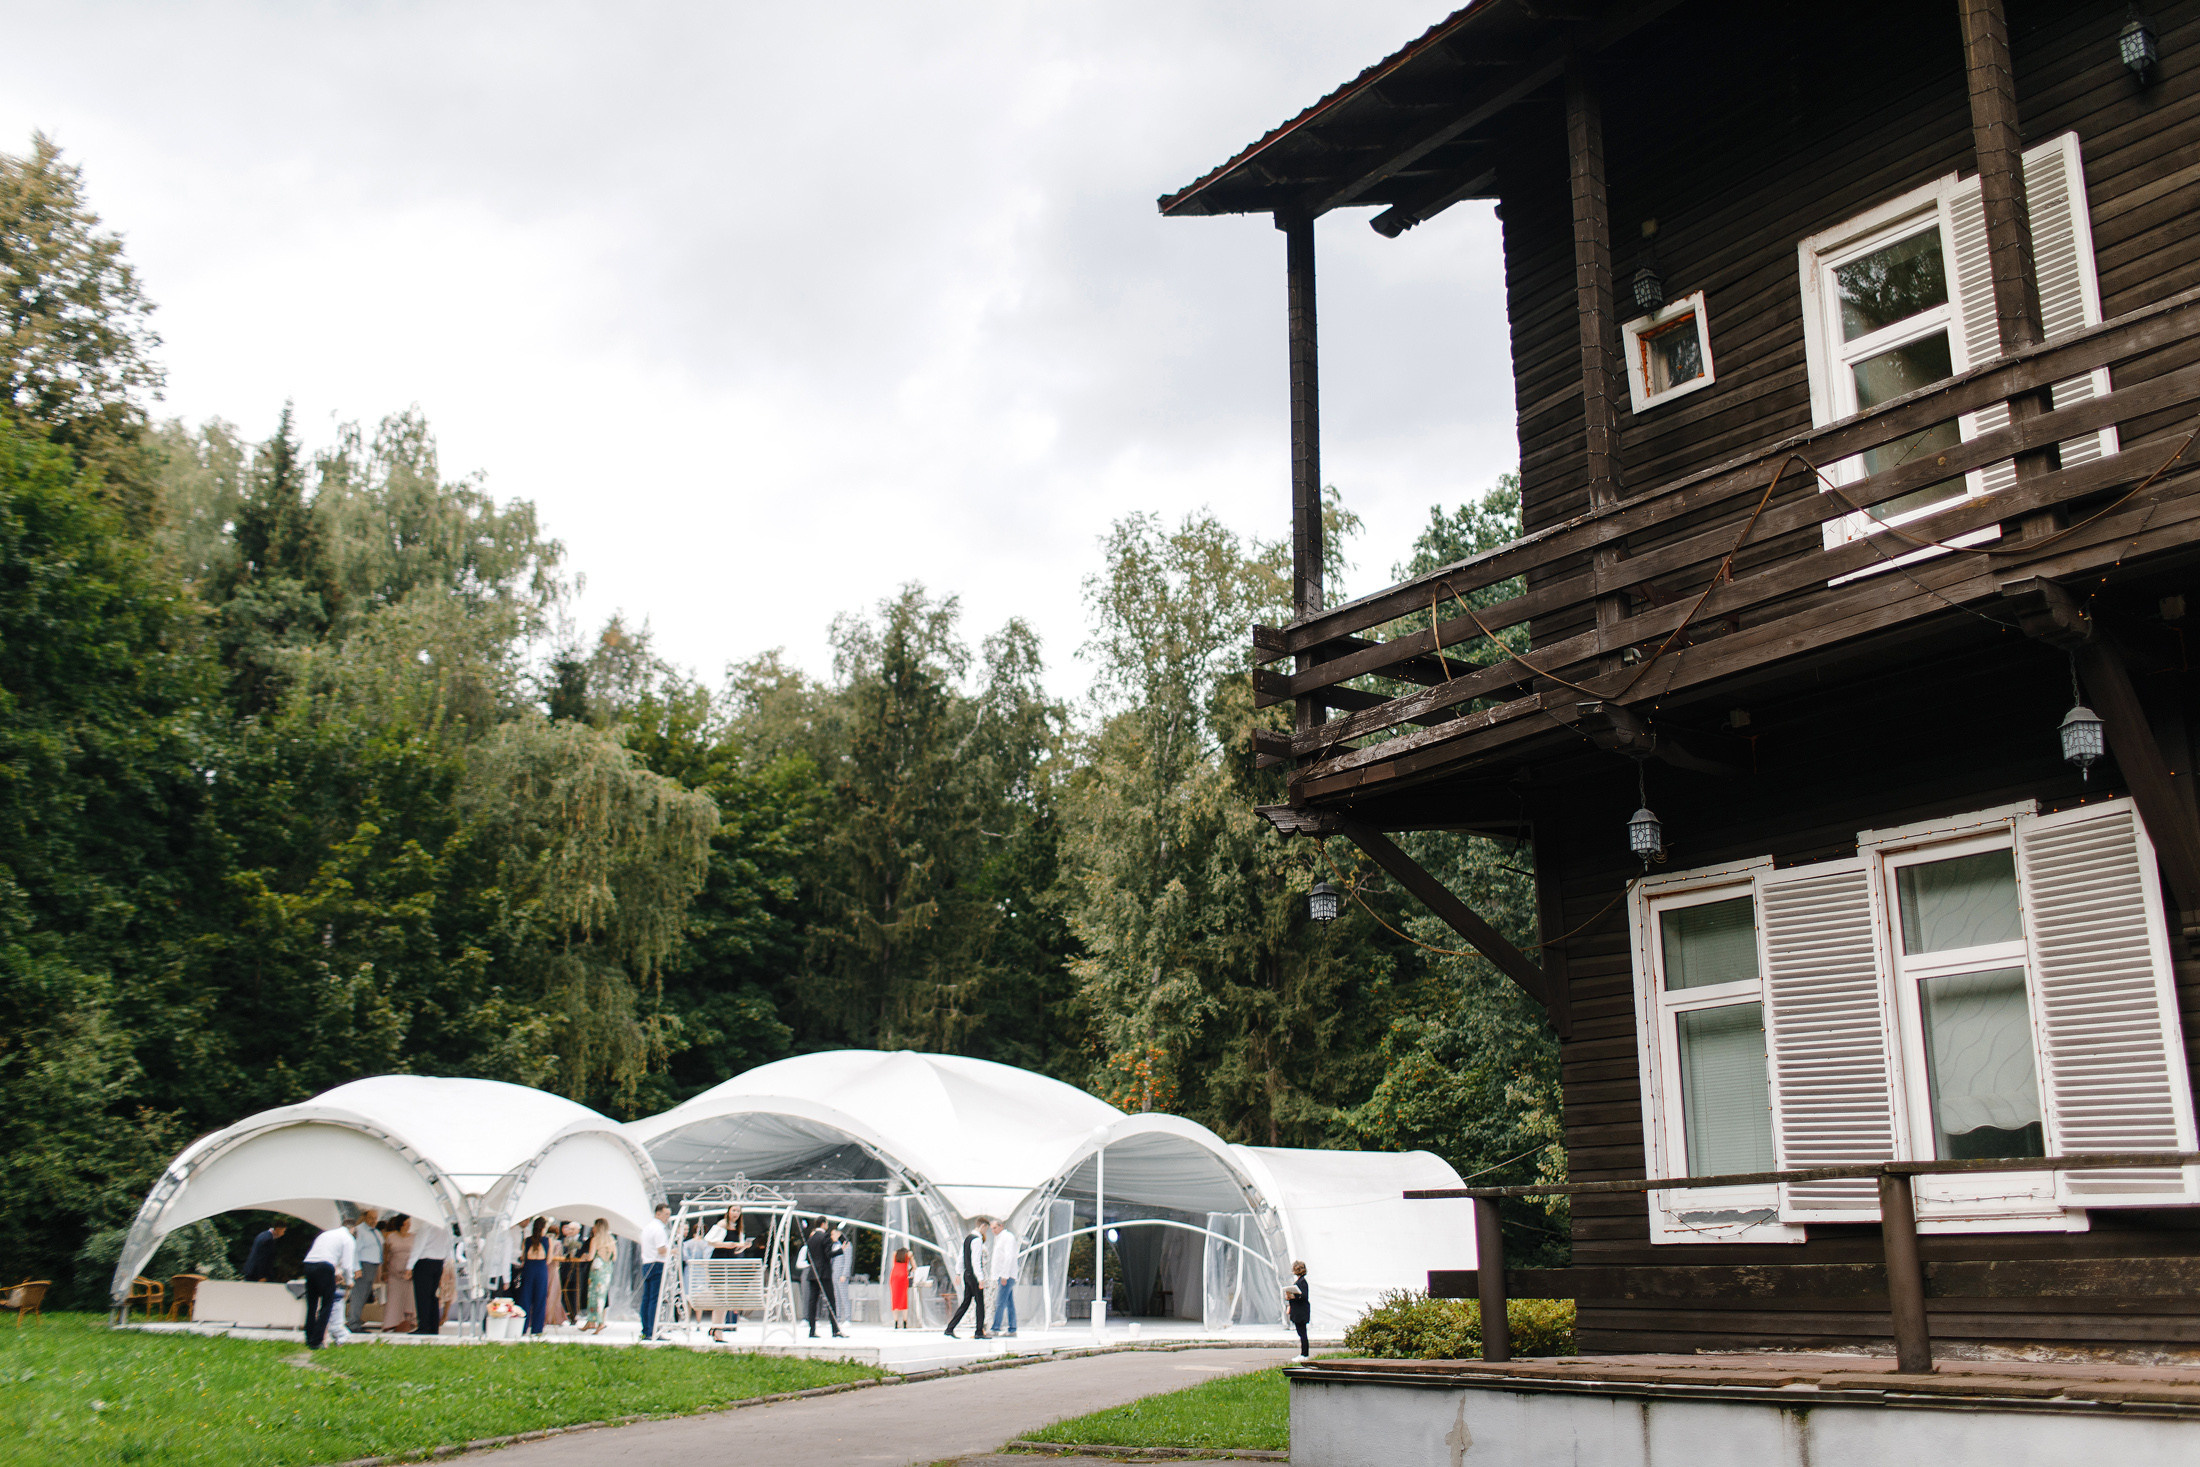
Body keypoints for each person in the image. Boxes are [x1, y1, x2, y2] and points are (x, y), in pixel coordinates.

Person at [300, 1223, 357, 1350]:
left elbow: (323, 1253)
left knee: (312, 1304)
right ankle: (317, 1340)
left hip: (309, 1263)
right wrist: (349, 1281)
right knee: (327, 1304)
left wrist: (335, 1272)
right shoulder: (348, 1238)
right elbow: (347, 1265)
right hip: (325, 1267)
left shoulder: (326, 1234)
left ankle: (309, 1337)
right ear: (352, 1230)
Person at [703, 1205, 752, 1341]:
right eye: (734, 1210)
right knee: (720, 1296)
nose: (736, 1213)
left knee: (724, 1297)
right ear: (729, 1211)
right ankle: (717, 1329)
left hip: (729, 1262)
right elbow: (710, 1241)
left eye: (738, 1211)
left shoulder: (738, 1227)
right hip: (719, 1262)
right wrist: (726, 1244)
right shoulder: (722, 1224)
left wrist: (743, 1246)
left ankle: (717, 1328)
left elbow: (736, 1251)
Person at [942, 1220, 989, 1340]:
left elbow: (961, 1257)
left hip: (966, 1274)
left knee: (966, 1302)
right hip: (974, 1275)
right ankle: (979, 1331)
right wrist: (980, 1278)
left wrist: (958, 1272)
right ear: (983, 1226)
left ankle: (950, 1328)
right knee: (979, 1303)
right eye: (986, 1228)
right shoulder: (977, 1240)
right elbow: (976, 1260)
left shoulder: (967, 1238)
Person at [409, 1217, 452, 1336]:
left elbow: (419, 1246)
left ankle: (424, 1326)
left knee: (423, 1296)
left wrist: (409, 1266)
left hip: (424, 1261)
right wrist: (445, 1262)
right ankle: (433, 1326)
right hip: (438, 1262)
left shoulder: (426, 1225)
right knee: (434, 1297)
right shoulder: (445, 1227)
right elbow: (449, 1245)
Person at [803, 1218, 844, 1339]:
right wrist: (841, 1250)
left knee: (813, 1302)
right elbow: (828, 1254)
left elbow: (808, 1257)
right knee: (831, 1300)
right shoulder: (825, 1237)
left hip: (813, 1273)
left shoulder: (811, 1238)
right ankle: (835, 1330)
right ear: (823, 1223)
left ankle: (812, 1330)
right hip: (824, 1273)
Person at [639, 1203, 672, 1341]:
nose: (667, 1218)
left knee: (647, 1299)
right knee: (654, 1299)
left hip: (647, 1263)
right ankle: (652, 1330)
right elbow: (661, 1250)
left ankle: (646, 1329)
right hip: (657, 1263)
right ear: (658, 1213)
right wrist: (673, 1251)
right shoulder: (659, 1229)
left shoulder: (647, 1227)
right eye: (666, 1215)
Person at [345, 1209, 381, 1333]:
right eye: (371, 1218)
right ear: (365, 1217)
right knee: (359, 1294)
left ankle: (356, 1319)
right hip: (364, 1264)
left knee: (365, 1295)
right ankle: (353, 1323)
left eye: (375, 1218)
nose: (373, 1221)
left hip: (372, 1265)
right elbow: (355, 1250)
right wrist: (357, 1268)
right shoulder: (361, 1230)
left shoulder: (375, 1231)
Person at [518, 1219, 552, 1336]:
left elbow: (522, 1257)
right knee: (540, 1299)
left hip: (528, 1268)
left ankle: (522, 1327)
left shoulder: (527, 1241)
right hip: (541, 1269)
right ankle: (537, 1329)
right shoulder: (547, 1241)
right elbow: (549, 1259)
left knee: (525, 1298)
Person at [382, 1216, 416, 1332]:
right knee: (394, 1298)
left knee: (408, 1298)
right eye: (407, 1223)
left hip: (408, 1274)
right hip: (394, 1273)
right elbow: (386, 1255)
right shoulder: (391, 1237)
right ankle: (390, 1323)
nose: (409, 1225)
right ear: (401, 1224)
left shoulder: (413, 1237)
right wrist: (384, 1271)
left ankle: (407, 1322)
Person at [583, 1218, 616, 1333]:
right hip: (607, 1269)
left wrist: (585, 1257)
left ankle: (595, 1321)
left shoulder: (595, 1240)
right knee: (602, 1295)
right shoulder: (611, 1239)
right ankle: (599, 1321)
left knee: (593, 1295)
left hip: (597, 1269)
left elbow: (591, 1256)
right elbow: (615, 1257)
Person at [988, 1219, 1020, 1337]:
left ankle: (995, 1327)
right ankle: (1012, 1328)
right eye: (991, 1228)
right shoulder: (1000, 1238)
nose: (993, 1231)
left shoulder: (1007, 1237)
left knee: (1000, 1302)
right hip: (1002, 1275)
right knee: (1009, 1303)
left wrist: (1005, 1275)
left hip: (1006, 1276)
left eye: (994, 1228)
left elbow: (1009, 1256)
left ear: (1001, 1226)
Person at [1285, 1260, 1311, 1361]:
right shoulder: (1300, 1282)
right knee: (1301, 1333)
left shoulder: (1302, 1282)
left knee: (1302, 1333)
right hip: (1299, 1311)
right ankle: (1303, 1354)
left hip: (1301, 1312)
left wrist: (1293, 1297)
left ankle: (1304, 1354)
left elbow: (1304, 1296)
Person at [830, 1224, 853, 1324]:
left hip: (841, 1274)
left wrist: (844, 1274)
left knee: (844, 1296)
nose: (832, 1236)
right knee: (836, 1297)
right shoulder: (835, 1245)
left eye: (833, 1234)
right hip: (834, 1273)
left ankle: (848, 1318)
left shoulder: (847, 1244)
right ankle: (837, 1318)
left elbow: (848, 1260)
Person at [889, 1246, 913, 1329]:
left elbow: (893, 1265)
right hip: (903, 1275)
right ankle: (905, 1322)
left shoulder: (895, 1254)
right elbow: (914, 1266)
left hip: (894, 1275)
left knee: (895, 1298)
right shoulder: (908, 1255)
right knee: (903, 1298)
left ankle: (896, 1322)